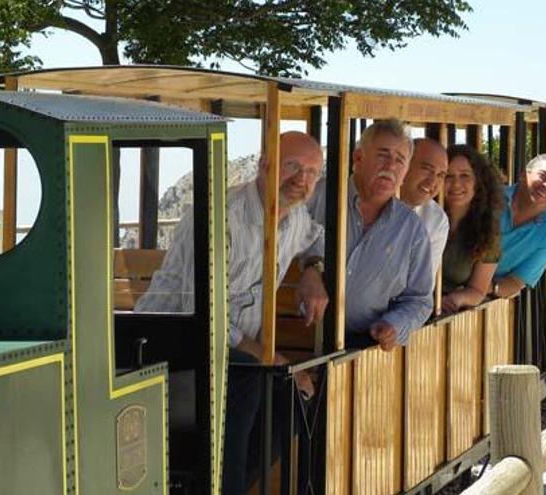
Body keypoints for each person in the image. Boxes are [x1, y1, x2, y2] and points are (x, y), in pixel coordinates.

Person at [135, 131, 326, 494]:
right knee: (248, 378)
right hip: (169, 344)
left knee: (293, 402)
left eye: (312, 172)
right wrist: (268, 355)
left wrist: (313, 272)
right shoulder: (220, 215)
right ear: (264, 164)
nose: (301, 179)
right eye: (292, 166)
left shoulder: (295, 219)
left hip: (235, 355)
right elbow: (202, 314)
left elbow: (315, 238)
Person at [305, 119, 433, 351]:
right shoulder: (315, 198)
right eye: (383, 155)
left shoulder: (412, 230)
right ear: (358, 158)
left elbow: (419, 300)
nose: (390, 166)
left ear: (405, 172)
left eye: (400, 160)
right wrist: (310, 268)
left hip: (365, 351)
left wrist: (394, 325)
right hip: (296, 341)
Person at [490, 153, 546, 298]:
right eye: (543, 176)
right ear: (523, 175)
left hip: (479, 303)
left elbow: (515, 282)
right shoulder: (488, 198)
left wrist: (480, 289)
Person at [440, 145, 505, 314]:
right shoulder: (424, 215)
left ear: (479, 182)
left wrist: (455, 299)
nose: (456, 184)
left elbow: (477, 291)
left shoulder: (488, 230)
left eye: (464, 176)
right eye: (448, 176)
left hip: (445, 314)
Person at [399, 138, 449, 279]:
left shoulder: (437, 220)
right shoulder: (375, 200)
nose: (432, 181)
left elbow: (421, 286)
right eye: (427, 169)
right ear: (405, 165)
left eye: (440, 175)